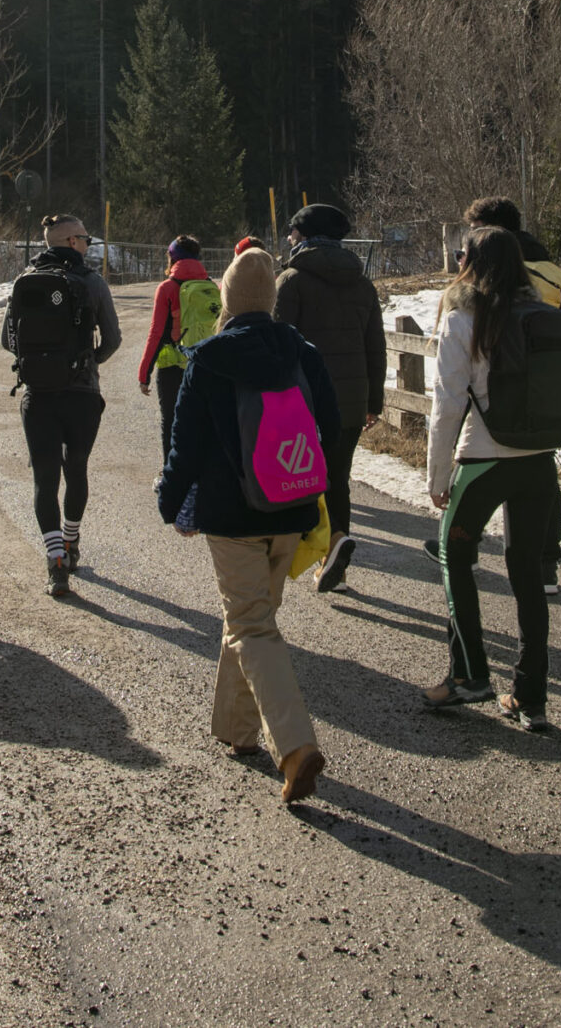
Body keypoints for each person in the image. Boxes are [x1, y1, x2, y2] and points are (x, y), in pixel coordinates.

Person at [156, 247, 337, 805]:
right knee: (254, 618)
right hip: (293, 506)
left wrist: (171, 502)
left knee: (251, 625)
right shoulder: (302, 352)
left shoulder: (208, 357)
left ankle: (295, 747)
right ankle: (237, 732)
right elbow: (327, 423)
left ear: (228, 299)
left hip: (233, 518)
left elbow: (185, 444)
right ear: (272, 299)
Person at [422, 227, 559, 733]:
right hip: (539, 462)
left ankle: (469, 675)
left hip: (483, 461)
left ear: (470, 263)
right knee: (527, 576)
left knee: (453, 555)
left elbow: (447, 405)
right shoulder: (541, 315)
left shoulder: (463, 320)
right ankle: (531, 696)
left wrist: (437, 476)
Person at [1, 214, 121, 597]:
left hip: (38, 393)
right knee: (77, 468)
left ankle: (55, 562)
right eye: (85, 238)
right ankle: (71, 543)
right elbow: (115, 338)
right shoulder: (92, 282)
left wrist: (41, 363)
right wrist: (88, 362)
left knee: (44, 477)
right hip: (82, 393)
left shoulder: (24, 281)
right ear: (71, 242)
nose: (88, 244)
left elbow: (7, 339)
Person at [271, 203, 384, 594]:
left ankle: (303, 552)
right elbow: (375, 347)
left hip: (304, 401)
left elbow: (279, 347)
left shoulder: (292, 281)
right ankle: (334, 556)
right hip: (350, 401)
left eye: (292, 232)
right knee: (337, 479)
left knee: (299, 478)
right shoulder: (362, 283)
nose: (288, 238)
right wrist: (375, 401)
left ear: (302, 236)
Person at [137, 236, 219, 459]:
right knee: (202, 419)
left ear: (172, 257)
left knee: (172, 422)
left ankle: (171, 474)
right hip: (203, 363)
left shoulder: (167, 288)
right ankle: (200, 477)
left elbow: (156, 333)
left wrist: (144, 373)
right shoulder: (212, 286)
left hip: (172, 365)